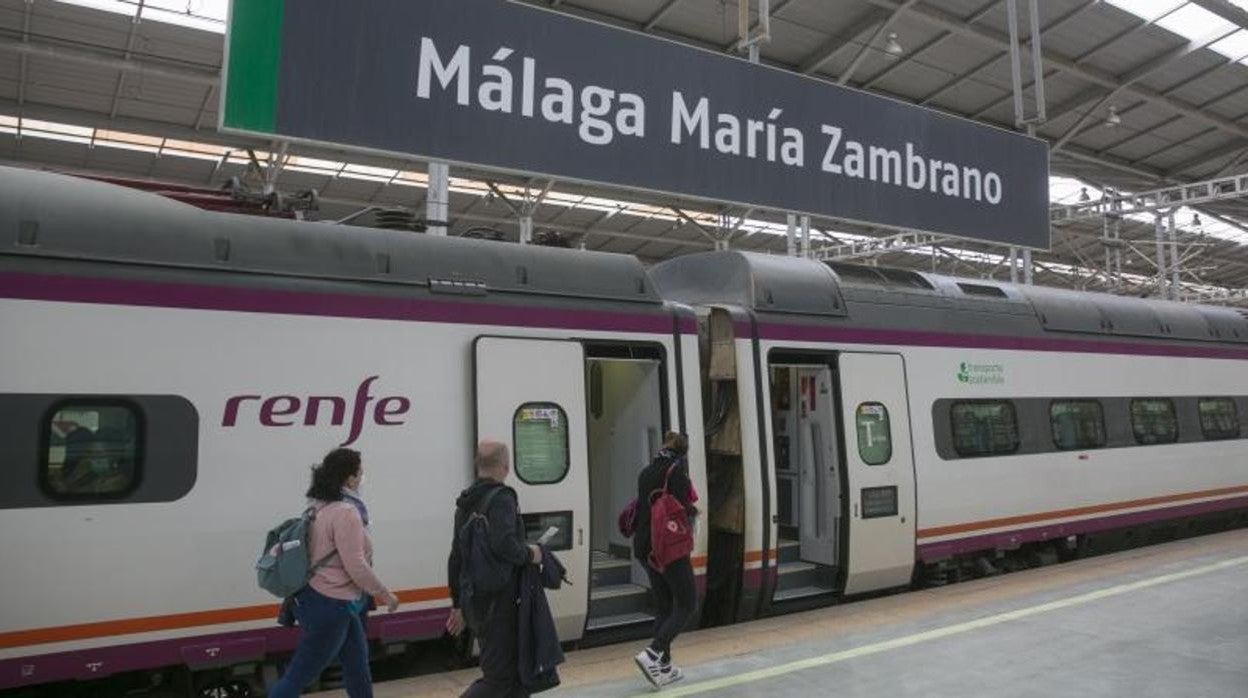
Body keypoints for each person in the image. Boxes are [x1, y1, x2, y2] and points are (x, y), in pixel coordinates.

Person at [270, 448, 400, 698]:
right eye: (360, 471)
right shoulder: (346, 512)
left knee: (357, 667)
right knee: (299, 677)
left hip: (330, 600)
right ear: (350, 478)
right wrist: (385, 595)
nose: (363, 476)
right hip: (330, 604)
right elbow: (356, 565)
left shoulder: (318, 506)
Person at [446, 440, 543, 698]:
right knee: (499, 679)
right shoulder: (502, 498)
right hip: (500, 598)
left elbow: (456, 556)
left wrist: (457, 603)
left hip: (475, 597)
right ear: (505, 466)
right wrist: (530, 554)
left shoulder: (466, 501)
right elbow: (505, 544)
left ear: (478, 465)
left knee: (516, 677)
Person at [633, 432, 697, 689]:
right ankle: (653, 653)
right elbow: (683, 508)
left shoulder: (646, 472)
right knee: (687, 602)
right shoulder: (677, 473)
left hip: (645, 545)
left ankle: (665, 667)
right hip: (668, 546)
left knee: (665, 605)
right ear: (683, 452)